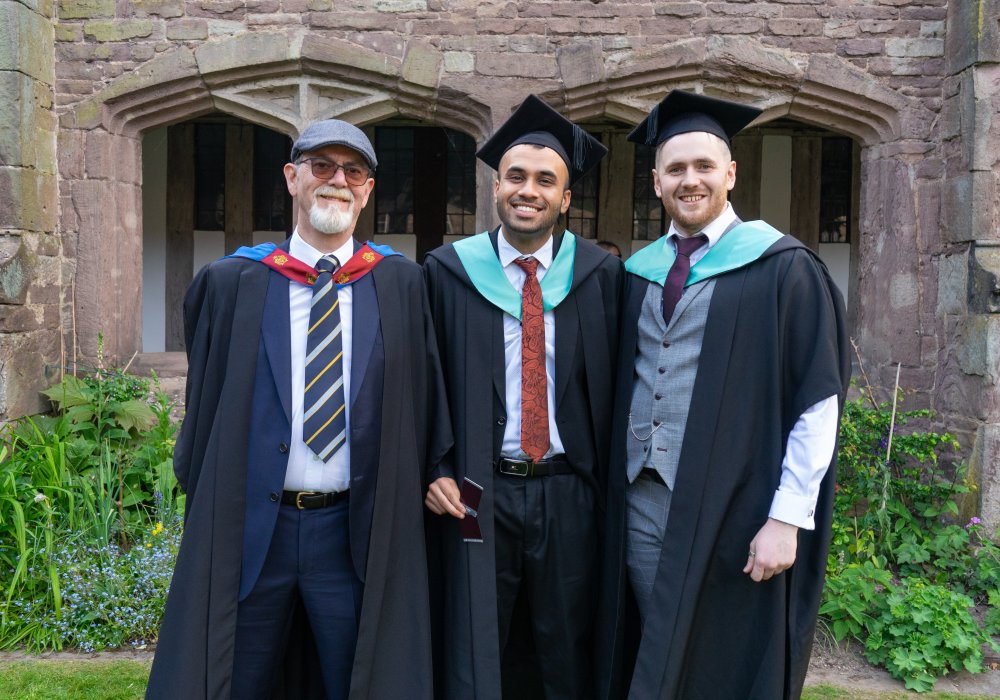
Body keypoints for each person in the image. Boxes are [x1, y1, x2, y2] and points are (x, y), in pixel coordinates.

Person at [146, 120, 451, 700]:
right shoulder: (232, 283)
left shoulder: (403, 286)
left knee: (357, 681)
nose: (337, 180)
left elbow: (427, 399)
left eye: (353, 171)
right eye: (321, 167)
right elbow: (205, 407)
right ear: (292, 177)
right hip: (255, 534)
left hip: (353, 533)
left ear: (367, 191)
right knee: (237, 679)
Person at [594, 90, 850, 700]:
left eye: (704, 167)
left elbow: (819, 401)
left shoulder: (783, 268)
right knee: (654, 645)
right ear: (656, 182)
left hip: (737, 509)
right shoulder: (636, 271)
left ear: (730, 174)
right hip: (641, 502)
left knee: (722, 658)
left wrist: (787, 519)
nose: (691, 181)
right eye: (676, 169)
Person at [423, 95, 624, 700]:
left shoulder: (600, 275)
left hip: (568, 489)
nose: (527, 190)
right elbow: (420, 381)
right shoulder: (447, 270)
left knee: (565, 641)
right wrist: (435, 468)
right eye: (515, 177)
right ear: (495, 188)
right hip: (476, 492)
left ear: (566, 198)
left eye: (545, 180)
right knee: (476, 635)